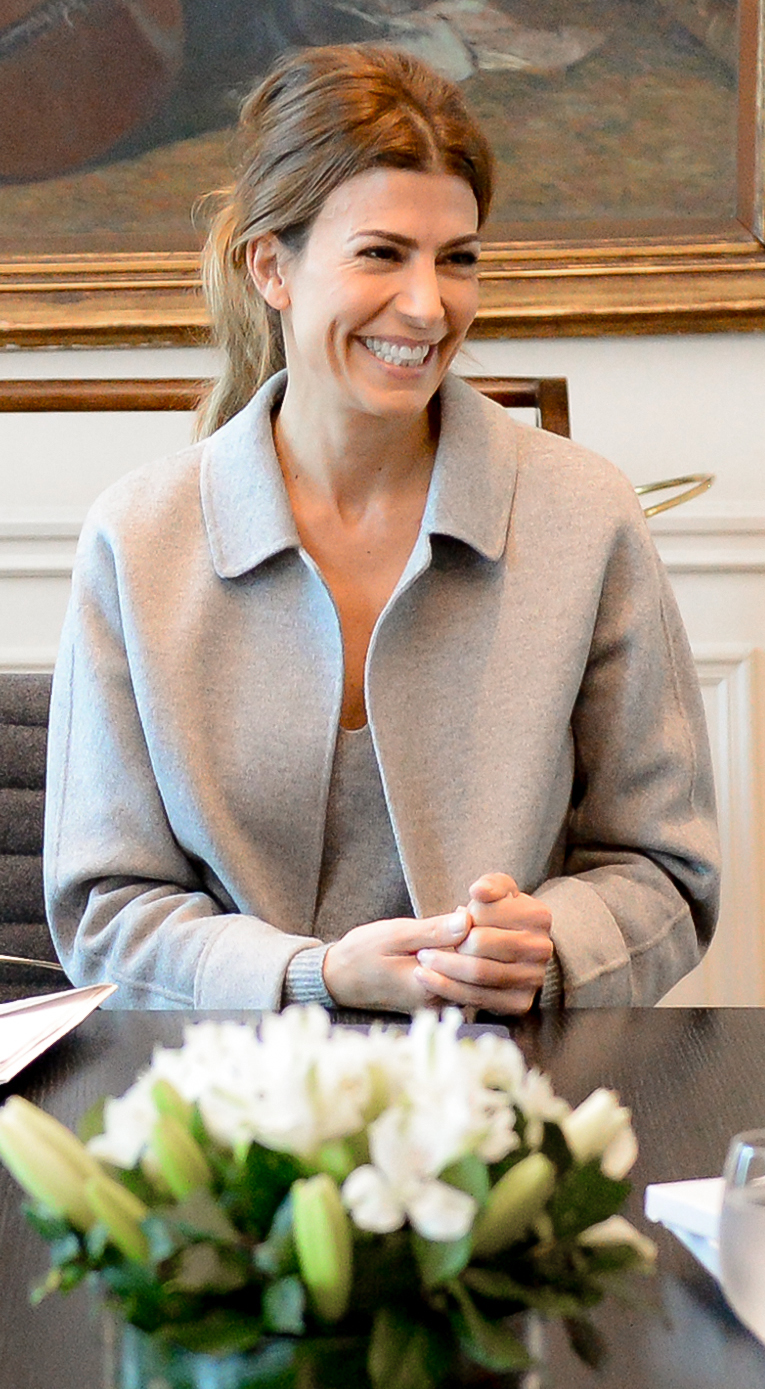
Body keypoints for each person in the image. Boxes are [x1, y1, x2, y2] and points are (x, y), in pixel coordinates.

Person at [45, 44, 719, 1014]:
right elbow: (104, 913)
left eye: (458, 260)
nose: (428, 304)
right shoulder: (137, 539)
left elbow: (665, 872)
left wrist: (550, 947)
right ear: (271, 267)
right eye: (381, 254)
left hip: (508, 1108)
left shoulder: (587, 515)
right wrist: (313, 976)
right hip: (224, 1117)